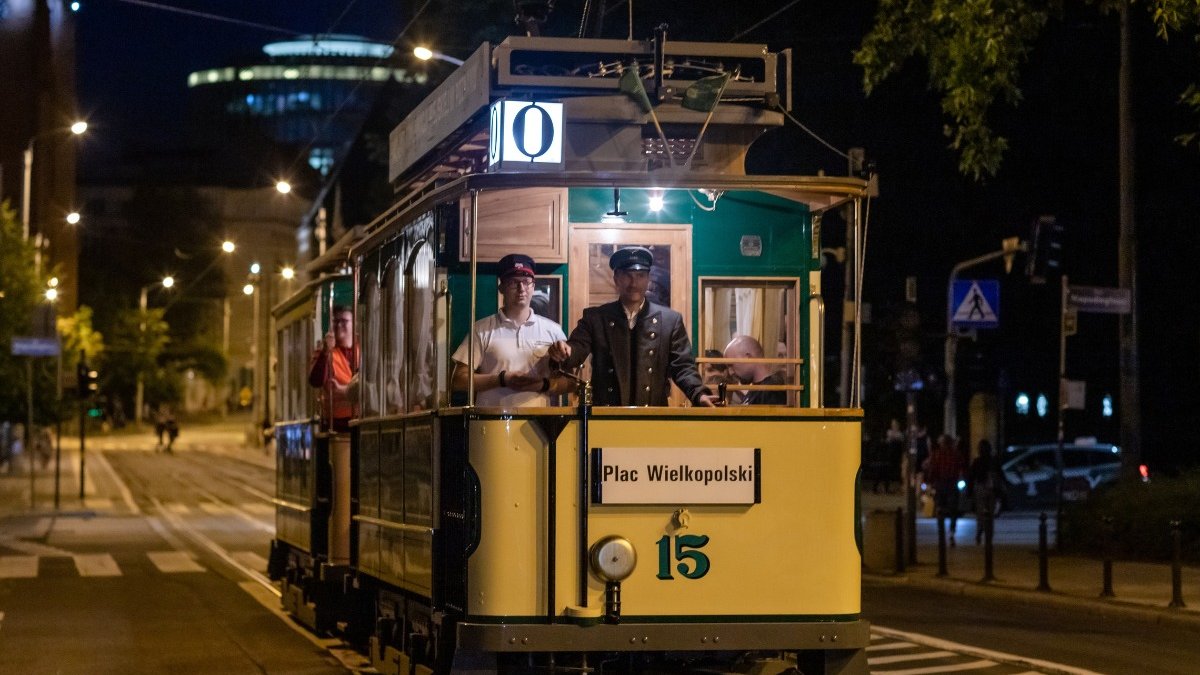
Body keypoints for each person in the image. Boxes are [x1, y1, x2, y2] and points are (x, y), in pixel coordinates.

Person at [549, 247, 717, 407]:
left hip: (653, 417)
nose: (634, 283)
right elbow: (577, 348)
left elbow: (683, 367)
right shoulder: (596, 318)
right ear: (616, 278)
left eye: (640, 275)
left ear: (648, 279)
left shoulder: (670, 321)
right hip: (605, 417)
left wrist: (698, 394)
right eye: (627, 275)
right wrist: (565, 351)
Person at [451, 254, 568, 407]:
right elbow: (459, 380)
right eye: (513, 282)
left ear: (533, 286)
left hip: (539, 425)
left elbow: (569, 382)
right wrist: (501, 379)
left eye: (526, 282)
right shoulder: (481, 329)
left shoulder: (553, 330)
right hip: (492, 424)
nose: (521, 289)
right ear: (501, 287)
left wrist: (542, 385)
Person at [309, 305, 359, 431]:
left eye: (344, 321)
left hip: (360, 419)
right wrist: (326, 351)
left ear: (354, 323)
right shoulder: (325, 351)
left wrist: (343, 390)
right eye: (335, 321)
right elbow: (316, 380)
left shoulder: (364, 350)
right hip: (336, 424)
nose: (338, 325)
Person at [923, 434, 965, 546]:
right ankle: (951, 532)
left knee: (940, 508)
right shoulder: (956, 454)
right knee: (953, 510)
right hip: (952, 484)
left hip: (940, 484)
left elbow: (932, 469)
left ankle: (941, 531)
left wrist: (930, 482)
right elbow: (962, 468)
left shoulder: (937, 454)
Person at [722, 335, 787, 405]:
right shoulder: (757, 389)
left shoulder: (771, 389)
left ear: (748, 357)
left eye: (731, 365)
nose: (731, 372)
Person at [968, 439, 1007, 544]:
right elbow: (1001, 475)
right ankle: (989, 535)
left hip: (980, 489)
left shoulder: (977, 461)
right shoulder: (993, 461)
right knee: (990, 514)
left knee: (981, 513)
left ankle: (980, 531)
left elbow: (971, 477)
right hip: (992, 489)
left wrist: (969, 492)